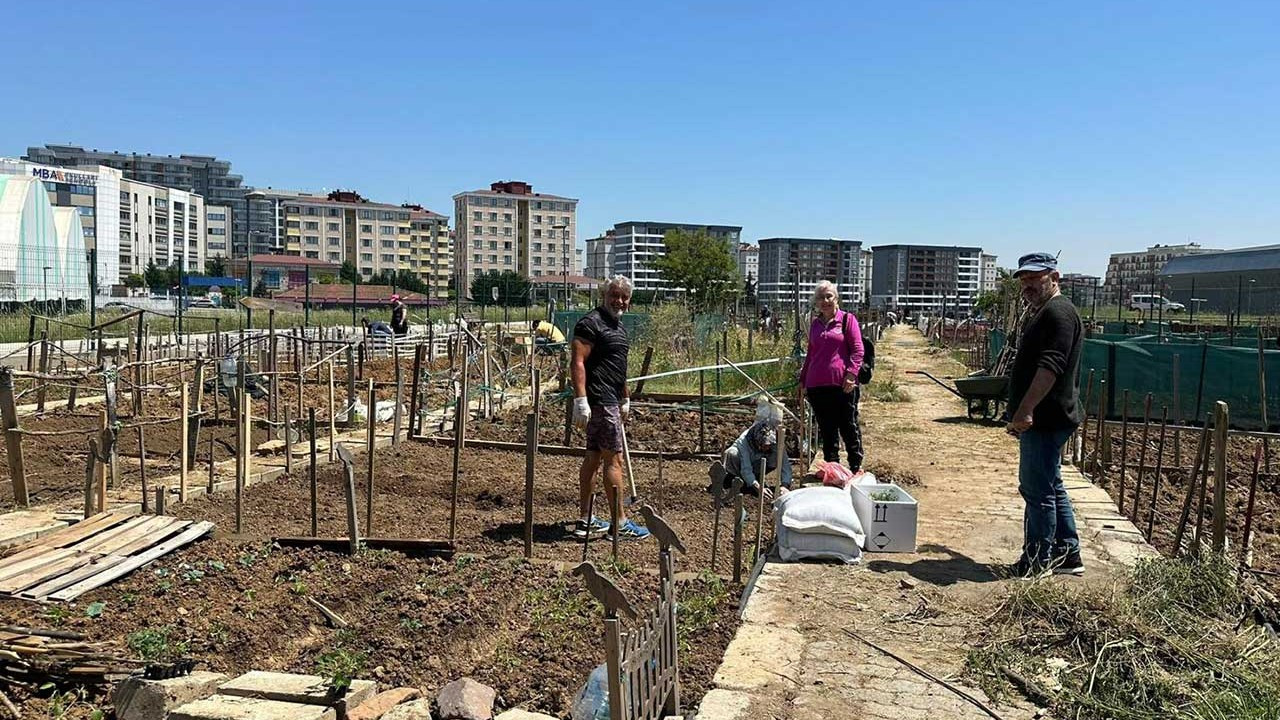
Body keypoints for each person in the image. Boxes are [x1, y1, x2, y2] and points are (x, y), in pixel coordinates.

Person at [1004, 252, 1085, 578]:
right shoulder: (1046, 311)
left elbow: (1050, 367)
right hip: (1049, 415)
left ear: (1054, 277)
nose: (1028, 285)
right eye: (1024, 279)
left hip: (1046, 417)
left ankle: (1037, 561)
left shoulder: (1058, 314)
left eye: (1035, 278)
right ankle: (1068, 555)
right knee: (1051, 485)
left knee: (1037, 491)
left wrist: (1025, 411)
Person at [570, 275, 650, 541]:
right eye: (614, 295)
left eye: (624, 297)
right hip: (600, 401)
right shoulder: (591, 323)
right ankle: (619, 523)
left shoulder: (618, 328)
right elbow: (578, 362)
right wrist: (580, 399)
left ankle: (586, 520)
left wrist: (625, 397)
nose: (619, 301)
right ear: (604, 295)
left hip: (610, 400)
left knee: (593, 457)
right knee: (613, 460)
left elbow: (617, 368)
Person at [799, 281, 865, 472]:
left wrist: (852, 374)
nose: (825, 301)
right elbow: (811, 354)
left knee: (848, 425)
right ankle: (832, 468)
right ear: (816, 302)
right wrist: (803, 380)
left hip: (842, 384)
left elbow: (858, 350)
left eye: (829, 296)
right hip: (817, 385)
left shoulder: (847, 320)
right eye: (821, 297)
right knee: (827, 429)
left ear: (836, 299)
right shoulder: (815, 325)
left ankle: (855, 466)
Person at [715, 418, 793, 502]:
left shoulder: (775, 440)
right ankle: (737, 480)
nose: (767, 447)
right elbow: (746, 468)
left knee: (776, 455)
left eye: (769, 445)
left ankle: (756, 477)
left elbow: (785, 464)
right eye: (764, 445)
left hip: (757, 465)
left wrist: (785, 485)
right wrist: (757, 487)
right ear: (757, 441)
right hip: (741, 465)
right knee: (732, 453)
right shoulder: (744, 442)